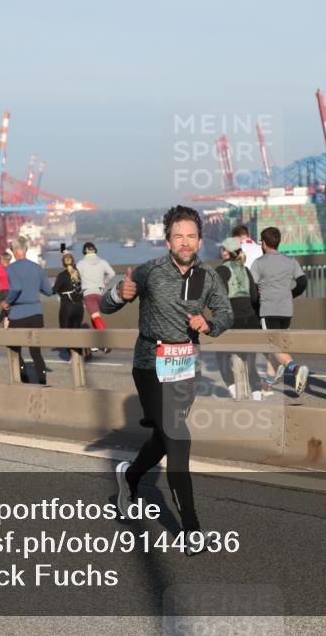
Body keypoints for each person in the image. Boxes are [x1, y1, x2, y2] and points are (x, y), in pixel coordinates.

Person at [101, 205, 233, 554]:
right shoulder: (150, 271)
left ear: (200, 240)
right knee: (178, 437)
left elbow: (226, 312)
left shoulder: (207, 276)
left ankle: (130, 477)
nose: (185, 242)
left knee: (165, 439)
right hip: (150, 365)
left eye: (191, 236)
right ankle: (191, 531)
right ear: (168, 241)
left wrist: (210, 324)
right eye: (178, 236)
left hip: (186, 367)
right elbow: (106, 304)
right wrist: (118, 294)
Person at [250, 226, 310, 395]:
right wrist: (290, 295)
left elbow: (252, 289)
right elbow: (303, 282)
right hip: (286, 311)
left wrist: (255, 303)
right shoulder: (290, 261)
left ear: (263, 243)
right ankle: (267, 386)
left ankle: (296, 368)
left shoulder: (259, 263)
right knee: (276, 348)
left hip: (268, 310)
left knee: (273, 346)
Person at [214, 237, 264, 401]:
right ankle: (257, 395)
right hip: (250, 320)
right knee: (250, 361)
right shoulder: (245, 269)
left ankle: (233, 389)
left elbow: (218, 297)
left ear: (225, 252)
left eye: (222, 249)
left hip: (232, 319)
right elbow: (254, 297)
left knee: (221, 356)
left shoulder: (221, 270)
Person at [1, 237, 54, 384]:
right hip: (36, 313)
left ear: (16, 250)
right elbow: (49, 291)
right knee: (36, 351)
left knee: (14, 350)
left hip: (18, 314)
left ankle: (24, 378)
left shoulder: (11, 268)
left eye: (12, 249)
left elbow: (16, 288)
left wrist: (7, 301)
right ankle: (42, 381)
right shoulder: (37, 268)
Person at [76, 242, 116, 351]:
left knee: (95, 317)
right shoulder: (103, 262)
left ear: (84, 251)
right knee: (94, 316)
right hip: (99, 293)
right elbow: (112, 274)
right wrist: (104, 282)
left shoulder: (81, 263)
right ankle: (94, 344)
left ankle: (105, 342)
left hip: (88, 294)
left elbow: (75, 278)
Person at [52, 252, 86, 362]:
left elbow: (54, 290)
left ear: (63, 264)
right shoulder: (78, 273)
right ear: (73, 261)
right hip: (79, 307)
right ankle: (79, 355)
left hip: (67, 307)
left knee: (66, 332)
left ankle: (71, 356)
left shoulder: (62, 276)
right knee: (76, 331)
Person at [0, 251, 12, 329]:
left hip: (3, 292)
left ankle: (7, 329)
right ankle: (6, 330)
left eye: (1, 259)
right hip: (11, 291)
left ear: (3, 260)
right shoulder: (13, 268)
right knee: (7, 312)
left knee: (7, 312)